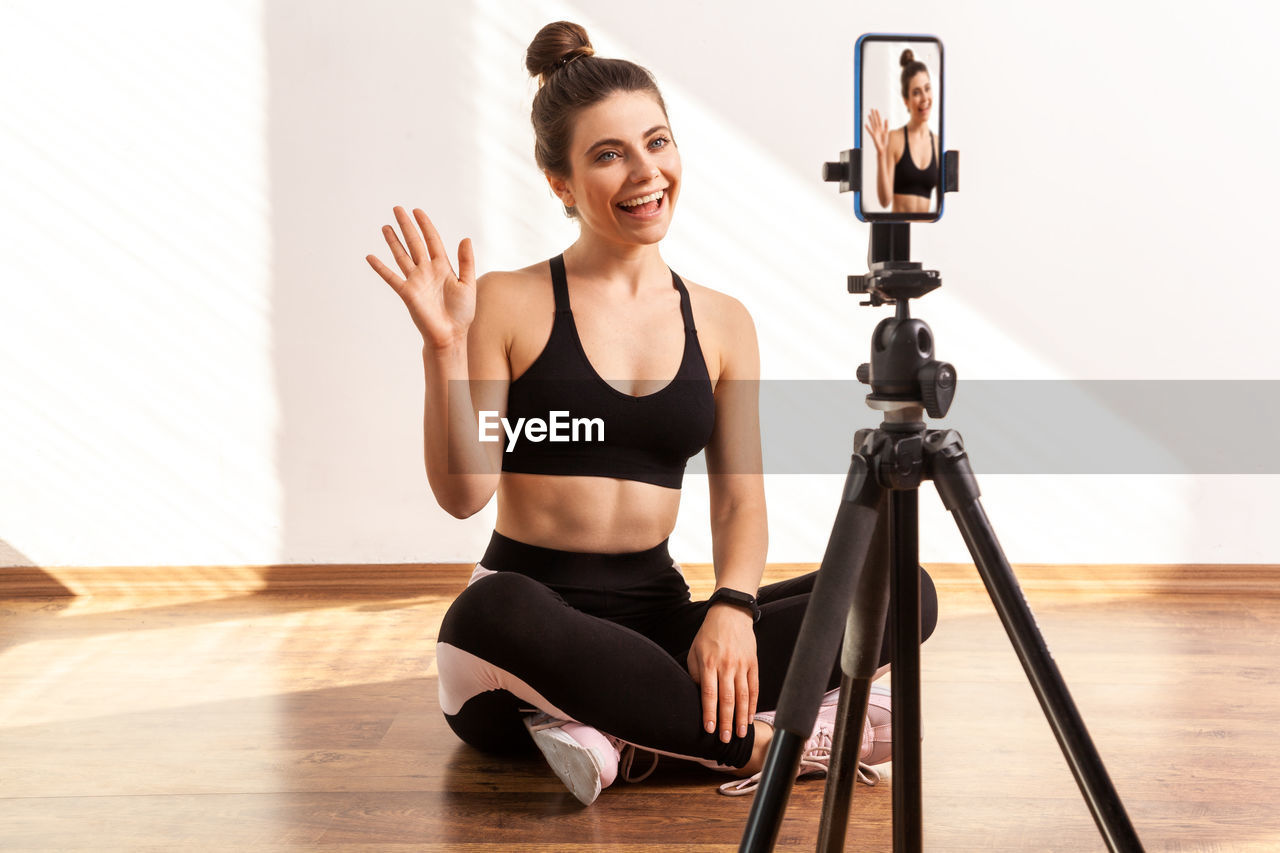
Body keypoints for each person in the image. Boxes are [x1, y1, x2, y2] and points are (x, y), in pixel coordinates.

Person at [365, 21, 938, 805]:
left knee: (898, 583)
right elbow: (466, 492)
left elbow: (740, 500)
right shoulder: (507, 301)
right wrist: (442, 349)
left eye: (657, 142)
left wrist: (732, 609)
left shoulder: (724, 321)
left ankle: (617, 736)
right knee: (493, 608)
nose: (645, 172)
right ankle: (772, 743)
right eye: (608, 155)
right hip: (524, 641)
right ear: (559, 183)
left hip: (661, 631)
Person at [865, 49, 939, 214]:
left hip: (925, 233)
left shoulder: (937, 143)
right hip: (899, 231)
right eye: (916, 92)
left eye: (927, 89)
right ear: (906, 101)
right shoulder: (896, 138)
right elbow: (885, 201)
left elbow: (944, 203)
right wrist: (881, 154)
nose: (925, 98)